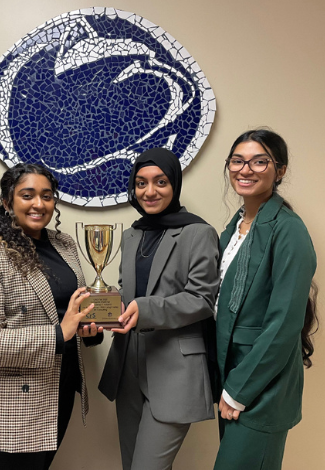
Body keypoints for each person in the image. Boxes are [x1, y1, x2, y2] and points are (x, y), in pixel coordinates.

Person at [0, 163, 103, 470]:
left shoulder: (64, 244)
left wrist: (87, 329)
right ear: (7, 201)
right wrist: (58, 334)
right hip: (13, 401)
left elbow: (66, 311)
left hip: (59, 388)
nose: (39, 203)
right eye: (28, 195)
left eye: (47, 196)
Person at [98, 147, 220, 470]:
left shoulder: (199, 233)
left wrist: (145, 309)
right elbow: (129, 294)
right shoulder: (131, 235)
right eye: (141, 183)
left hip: (175, 370)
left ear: (175, 184)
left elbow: (202, 299)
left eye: (160, 182)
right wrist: (101, 308)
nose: (149, 191)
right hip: (128, 367)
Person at [213, 129, 318, 470]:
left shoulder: (289, 229)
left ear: (280, 170)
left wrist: (239, 389)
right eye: (238, 161)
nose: (245, 170)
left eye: (259, 161)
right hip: (231, 371)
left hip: (260, 383)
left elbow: (285, 322)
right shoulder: (237, 225)